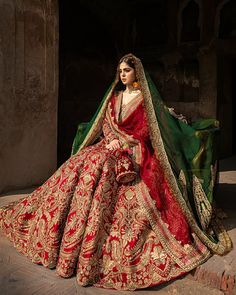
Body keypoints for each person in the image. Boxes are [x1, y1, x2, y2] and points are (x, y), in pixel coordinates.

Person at [0, 53, 232, 291]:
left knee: (99, 167)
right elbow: (106, 125)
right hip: (108, 145)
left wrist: (122, 144)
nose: (122, 74)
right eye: (120, 70)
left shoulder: (144, 99)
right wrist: (110, 140)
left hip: (133, 151)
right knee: (79, 162)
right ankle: (57, 235)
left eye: (127, 71)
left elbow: (145, 132)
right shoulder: (114, 97)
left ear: (136, 73)